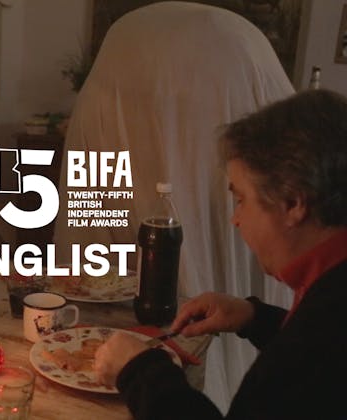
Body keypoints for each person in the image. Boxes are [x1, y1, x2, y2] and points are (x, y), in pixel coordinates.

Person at [52, 2, 295, 405]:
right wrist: (254, 315)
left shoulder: (131, 37)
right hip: (245, 322)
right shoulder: (239, 38)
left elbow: (89, 212)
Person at [94, 88, 347, 419]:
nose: (235, 218)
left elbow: (310, 357)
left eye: (241, 199)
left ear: (293, 203)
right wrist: (255, 318)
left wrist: (139, 371)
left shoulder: (324, 329)